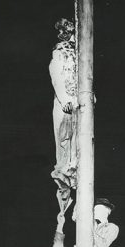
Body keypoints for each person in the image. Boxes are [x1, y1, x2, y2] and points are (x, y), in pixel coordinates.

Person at [49, 18, 78, 209]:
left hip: (78, 103)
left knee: (77, 141)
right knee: (64, 139)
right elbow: (57, 78)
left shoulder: (77, 55)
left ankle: (73, 167)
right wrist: (64, 98)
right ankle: (67, 169)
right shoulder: (58, 56)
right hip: (65, 103)